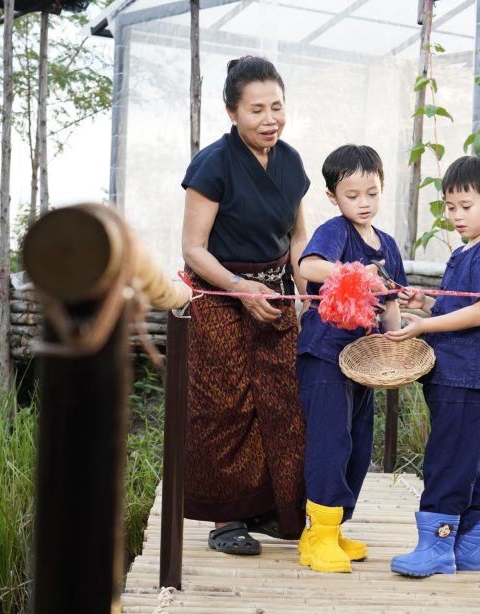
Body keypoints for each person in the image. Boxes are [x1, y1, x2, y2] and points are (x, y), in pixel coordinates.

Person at [180, 56, 309, 555]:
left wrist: (306, 296)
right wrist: (239, 287)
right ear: (232, 112)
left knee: (284, 400)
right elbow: (192, 248)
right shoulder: (212, 163)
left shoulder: (291, 160)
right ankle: (226, 519)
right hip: (219, 297)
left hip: (274, 293)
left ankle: (272, 511)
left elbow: (298, 237)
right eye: (257, 109)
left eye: (277, 107)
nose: (270, 118)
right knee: (225, 405)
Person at [385, 154, 480, 577]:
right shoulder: (466, 251)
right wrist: (424, 303)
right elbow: (457, 302)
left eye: (466, 206)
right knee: (463, 461)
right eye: (450, 207)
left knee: (446, 461)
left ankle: (437, 547)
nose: (457, 216)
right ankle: (469, 546)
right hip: (452, 375)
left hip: (470, 377)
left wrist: (423, 326)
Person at [296, 145, 407, 573]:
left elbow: (391, 301)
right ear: (333, 197)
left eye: (372, 193)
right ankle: (316, 536)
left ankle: (336, 526)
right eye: (352, 195)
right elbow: (309, 267)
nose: (363, 203)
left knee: (359, 445)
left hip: (364, 360)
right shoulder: (335, 232)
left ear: (382, 190)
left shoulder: (389, 246)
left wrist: (394, 347)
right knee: (331, 442)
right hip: (324, 355)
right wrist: (354, 274)